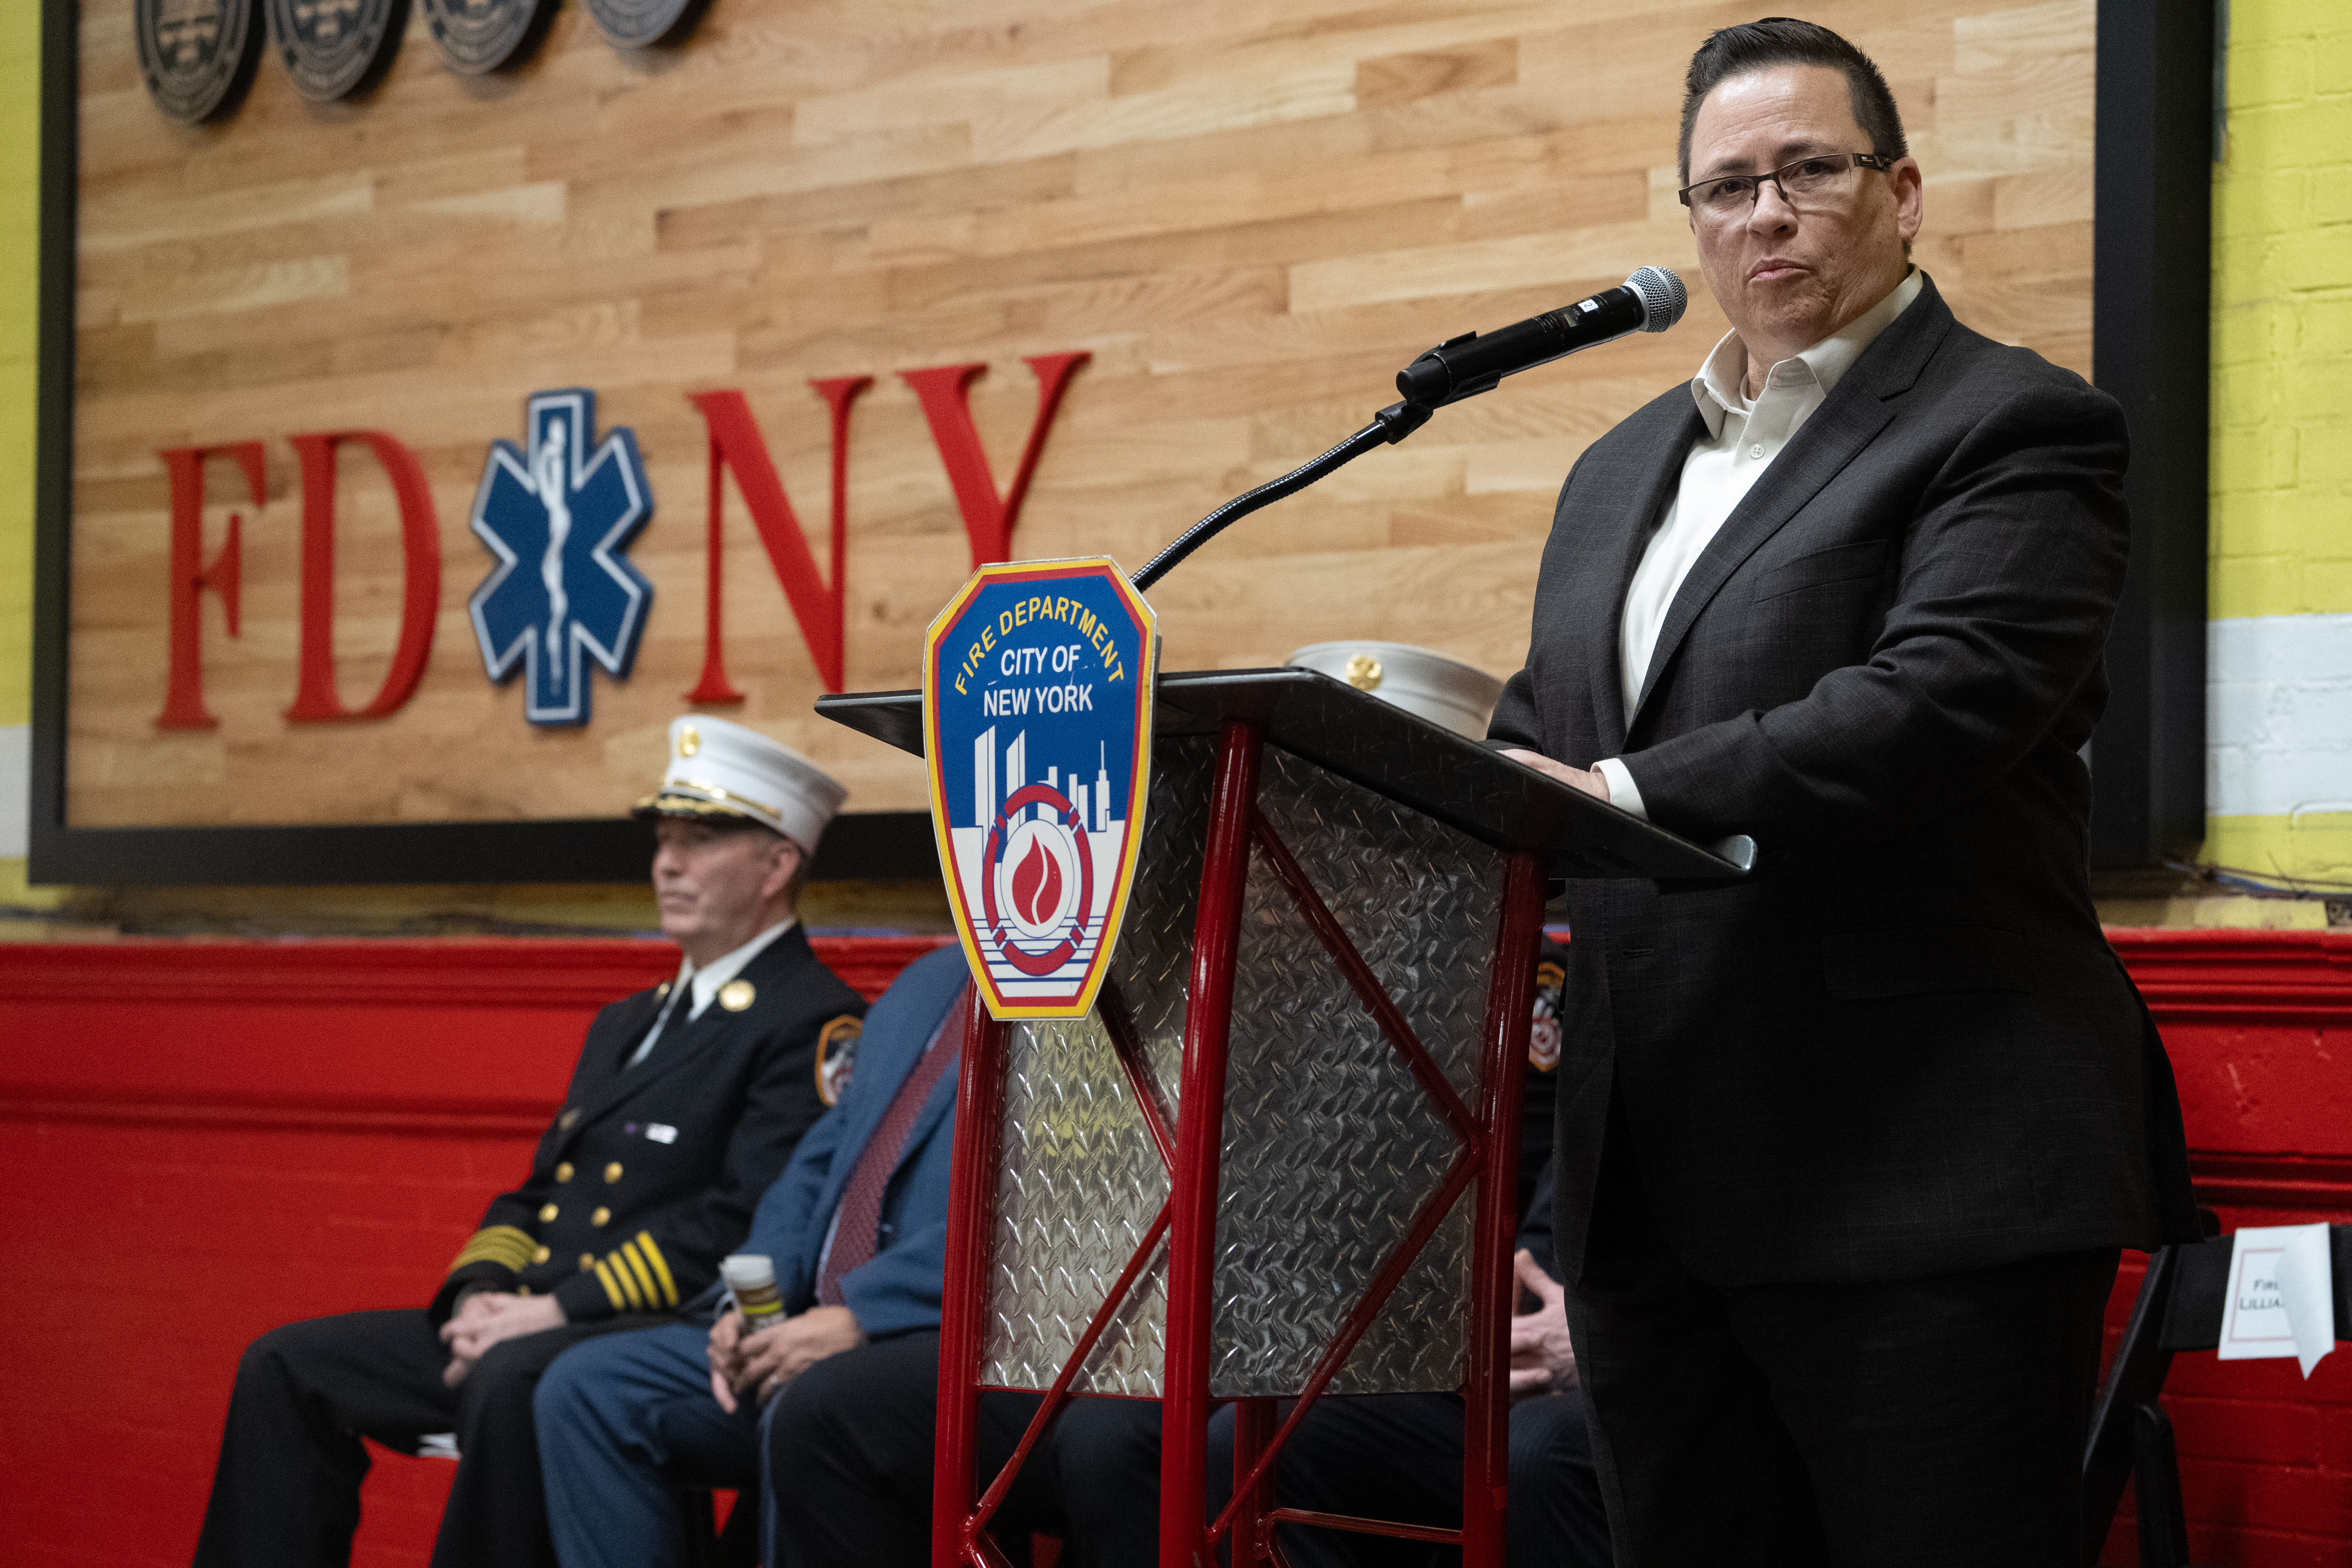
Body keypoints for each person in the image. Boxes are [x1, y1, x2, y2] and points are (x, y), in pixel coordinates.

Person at [1484, 18, 2200, 1565]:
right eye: (1726, 186)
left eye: (1809, 169)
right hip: (1656, 1184)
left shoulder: (2011, 425)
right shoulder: (1617, 468)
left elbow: (1935, 705)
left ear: (1904, 191)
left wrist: (1596, 799)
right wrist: (1470, 809)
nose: (1765, 213)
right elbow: (1551, 722)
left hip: (1915, 1177)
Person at [193, 716, 868, 1568]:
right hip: (533, 1311)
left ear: (777, 866)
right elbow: (539, 1190)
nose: (667, 863)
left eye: (698, 841)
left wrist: (554, 1310)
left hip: (651, 1328)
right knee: (286, 1365)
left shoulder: (813, 1018)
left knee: (518, 1382)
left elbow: (745, 1222)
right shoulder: (629, 1020)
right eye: (664, 840)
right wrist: (477, 1293)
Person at [534, 942, 978, 1568]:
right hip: (803, 1322)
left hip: (936, 1335)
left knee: (811, 1408)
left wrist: (864, 1315)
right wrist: (753, 1305)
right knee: (588, 1389)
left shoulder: (1073, 980)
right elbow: (817, 1164)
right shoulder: (928, 979)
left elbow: (1047, 1210)